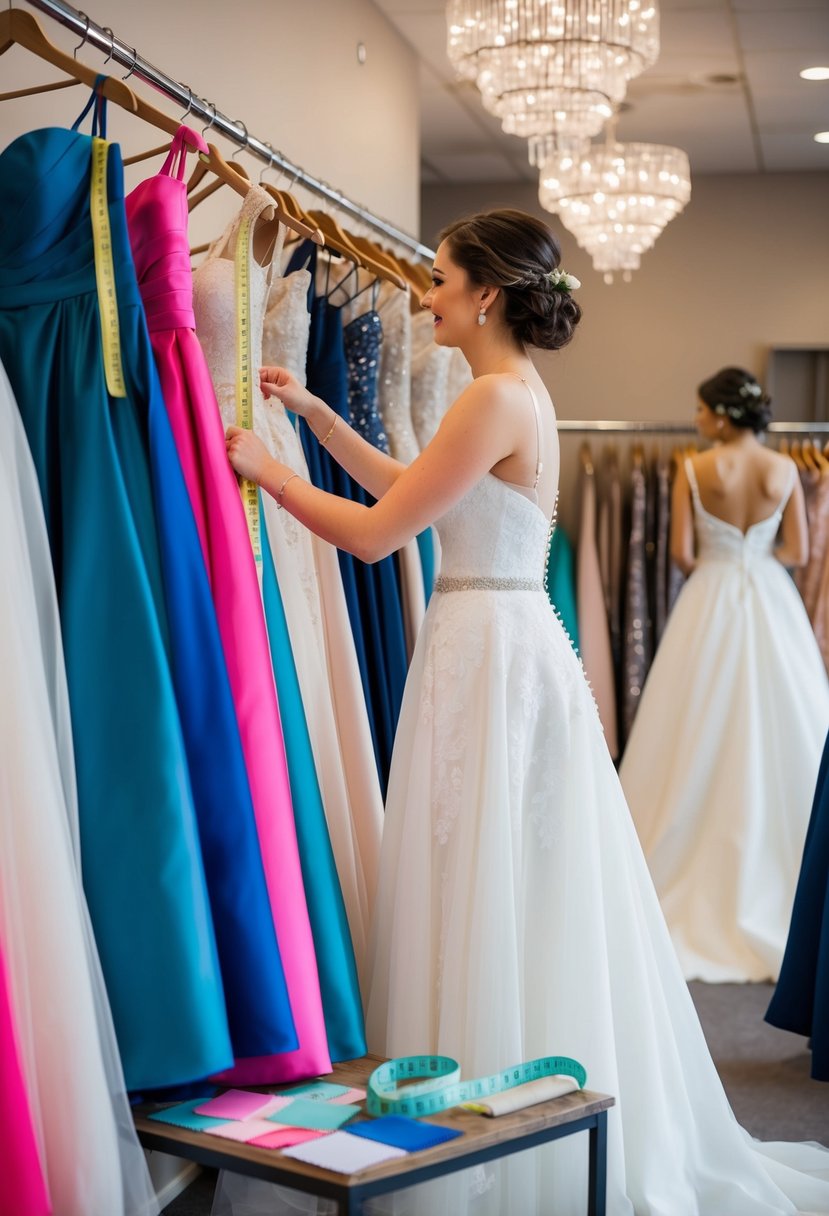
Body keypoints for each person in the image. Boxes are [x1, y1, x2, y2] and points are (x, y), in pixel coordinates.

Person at [223, 214, 829, 1215]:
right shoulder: (505, 396)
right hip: (490, 643)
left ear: (485, 296)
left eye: (439, 282)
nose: (427, 299)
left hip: (489, 653)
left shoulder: (493, 397)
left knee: (482, 873)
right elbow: (418, 496)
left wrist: (272, 473)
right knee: (495, 876)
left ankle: (483, 1137)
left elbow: (379, 537)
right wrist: (319, 421)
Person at [620, 368, 829, 987]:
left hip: (708, 596)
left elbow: (683, 553)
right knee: (787, 722)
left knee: (690, 728)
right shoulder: (784, 469)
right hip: (768, 593)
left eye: (702, 409)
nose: (697, 419)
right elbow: (799, 552)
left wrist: (721, 555)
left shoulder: (693, 468)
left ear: (721, 414)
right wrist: (755, 553)